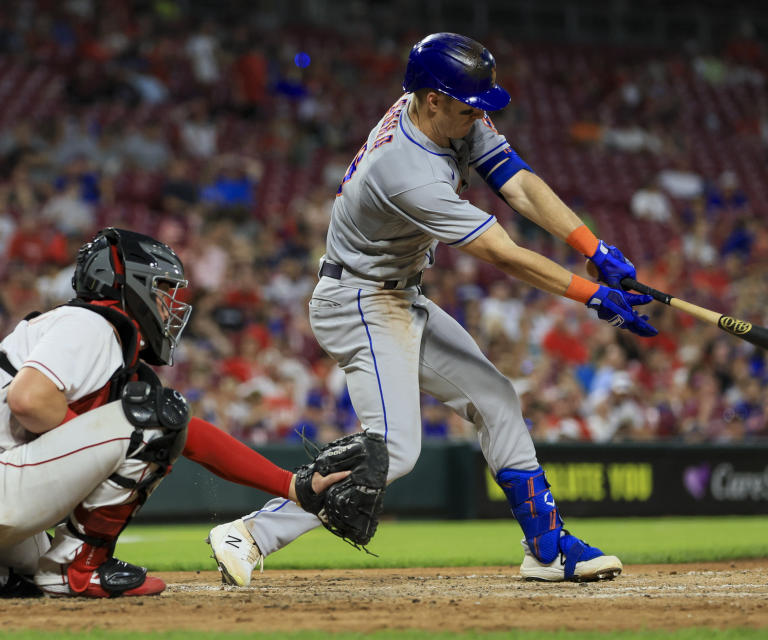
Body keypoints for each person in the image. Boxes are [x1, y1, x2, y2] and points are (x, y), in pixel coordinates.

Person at [207, 32, 658, 585]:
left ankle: (547, 547)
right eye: (469, 107)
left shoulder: (441, 111)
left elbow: (516, 182)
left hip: (397, 295)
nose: (478, 117)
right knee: (394, 450)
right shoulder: (404, 169)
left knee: (496, 398)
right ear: (432, 100)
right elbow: (502, 253)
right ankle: (251, 534)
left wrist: (594, 248)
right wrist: (593, 296)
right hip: (359, 299)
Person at [0, 228, 347, 598]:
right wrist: (93, 457)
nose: (168, 304)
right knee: (154, 417)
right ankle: (81, 568)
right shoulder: (90, 324)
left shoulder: (83, 332)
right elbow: (30, 400)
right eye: (161, 289)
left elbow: (192, 436)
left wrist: (293, 486)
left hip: (12, 481)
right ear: (128, 285)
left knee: (28, 574)